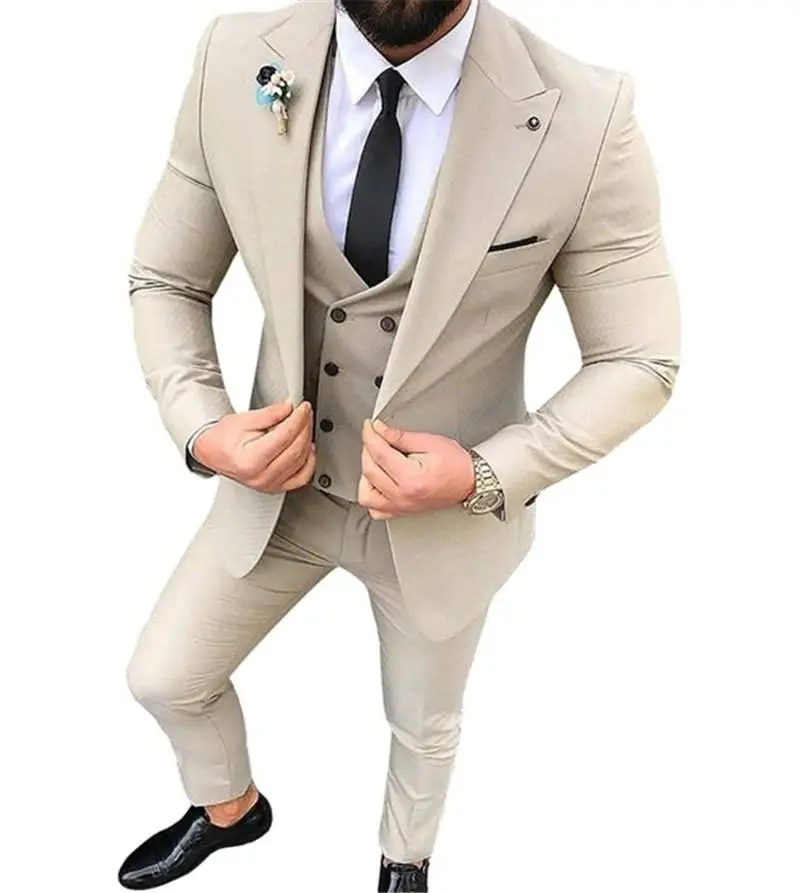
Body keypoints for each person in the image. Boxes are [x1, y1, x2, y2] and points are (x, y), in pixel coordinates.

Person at [118, 0, 680, 889]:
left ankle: (404, 861)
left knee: (423, 724)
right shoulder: (236, 56)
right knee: (164, 675)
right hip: (282, 495)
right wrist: (203, 425)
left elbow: (639, 357)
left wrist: (485, 472)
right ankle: (229, 805)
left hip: (443, 518)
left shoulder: (587, 114)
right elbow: (166, 277)